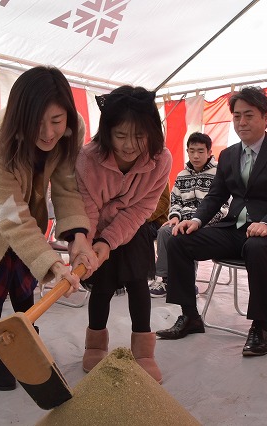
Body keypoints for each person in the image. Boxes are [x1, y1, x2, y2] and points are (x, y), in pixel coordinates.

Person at [0, 66, 99, 391]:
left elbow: (66, 186)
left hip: (31, 207)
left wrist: (78, 237)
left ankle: (24, 341)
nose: (48, 133)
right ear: (20, 118)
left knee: (25, 282)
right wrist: (56, 265)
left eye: (57, 121)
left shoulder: (74, 128)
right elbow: (11, 217)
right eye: (37, 124)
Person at [155, 86, 267, 357]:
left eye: (249, 115)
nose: (241, 122)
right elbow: (217, 195)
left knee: (257, 248)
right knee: (178, 239)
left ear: (266, 117)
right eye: (236, 116)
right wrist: (197, 220)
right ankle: (190, 316)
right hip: (235, 227)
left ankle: (259, 327)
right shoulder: (229, 154)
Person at [75, 85, 172, 382]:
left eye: (139, 136)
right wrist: (91, 246)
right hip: (94, 229)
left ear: (152, 133)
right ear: (107, 132)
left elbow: (141, 209)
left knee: (137, 284)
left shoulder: (161, 160)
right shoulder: (87, 159)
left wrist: (111, 240)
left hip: (132, 228)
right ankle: (95, 344)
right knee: (102, 286)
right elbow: (87, 209)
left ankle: (144, 350)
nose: (130, 145)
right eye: (120, 136)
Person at [149, 132, 229, 297]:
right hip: (182, 221)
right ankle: (164, 279)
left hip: (208, 224)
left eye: (200, 151)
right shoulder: (181, 175)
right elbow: (175, 201)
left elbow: (223, 206)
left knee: (187, 235)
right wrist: (175, 217)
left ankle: (187, 282)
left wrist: (199, 221)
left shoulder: (219, 174)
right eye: (192, 151)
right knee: (164, 231)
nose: (195, 155)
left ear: (209, 152)